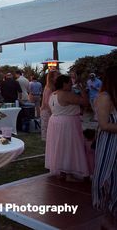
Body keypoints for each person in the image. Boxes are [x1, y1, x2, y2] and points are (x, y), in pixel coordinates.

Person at [45, 75, 89, 181]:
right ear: (64, 83)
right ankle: (69, 172)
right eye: (69, 82)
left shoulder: (52, 94)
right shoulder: (66, 94)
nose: (71, 84)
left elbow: (49, 108)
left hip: (55, 121)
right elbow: (85, 102)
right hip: (67, 123)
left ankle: (62, 171)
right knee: (69, 146)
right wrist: (83, 90)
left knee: (60, 146)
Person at [92, 66, 117, 227]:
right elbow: (104, 124)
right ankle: (108, 219)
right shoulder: (104, 97)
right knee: (108, 179)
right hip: (109, 144)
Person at [40, 70, 59, 141]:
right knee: (46, 128)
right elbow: (46, 102)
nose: (58, 77)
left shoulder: (52, 87)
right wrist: (53, 112)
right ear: (51, 78)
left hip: (49, 110)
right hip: (47, 111)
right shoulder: (49, 88)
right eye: (57, 76)